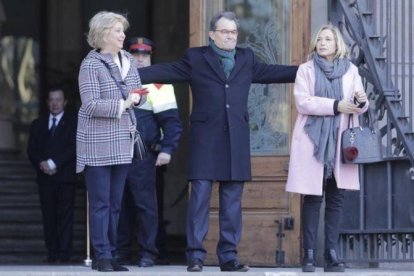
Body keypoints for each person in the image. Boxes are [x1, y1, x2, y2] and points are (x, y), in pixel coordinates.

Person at [138, 11, 298, 272]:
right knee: (200, 198)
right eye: (225, 32)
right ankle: (196, 257)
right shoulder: (196, 57)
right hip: (205, 140)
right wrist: (126, 72)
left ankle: (228, 257)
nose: (230, 36)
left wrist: (307, 70)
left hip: (236, 139)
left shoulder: (246, 58)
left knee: (232, 201)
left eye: (234, 32)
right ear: (212, 34)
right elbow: (166, 71)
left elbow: (273, 72)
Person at [285, 24, 369, 273]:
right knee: (312, 198)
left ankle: (331, 254)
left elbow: (360, 101)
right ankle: (309, 254)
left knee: (336, 199)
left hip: (341, 141)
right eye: (319, 39)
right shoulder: (306, 69)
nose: (322, 43)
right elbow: (303, 101)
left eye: (328, 39)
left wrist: (359, 103)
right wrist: (335, 105)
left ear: (337, 44)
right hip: (314, 141)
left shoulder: (351, 70)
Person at [77, 11, 146, 272]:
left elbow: (138, 93)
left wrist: (139, 98)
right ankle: (101, 255)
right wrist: (125, 102)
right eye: (118, 30)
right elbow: (91, 104)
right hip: (97, 141)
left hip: (123, 139)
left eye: (123, 30)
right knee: (100, 203)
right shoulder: (90, 64)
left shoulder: (128, 59)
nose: (123, 35)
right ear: (104, 33)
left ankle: (112, 253)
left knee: (116, 203)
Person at [116, 37, 182, 267]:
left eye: (145, 54)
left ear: (151, 57)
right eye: (136, 54)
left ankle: (147, 253)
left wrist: (167, 150)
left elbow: (172, 123)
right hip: (116, 153)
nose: (141, 59)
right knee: (119, 205)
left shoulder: (159, 86)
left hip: (143, 156)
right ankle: (120, 252)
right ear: (128, 56)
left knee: (146, 206)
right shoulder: (117, 82)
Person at [27, 88, 77, 264]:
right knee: (49, 217)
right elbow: (32, 150)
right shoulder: (38, 123)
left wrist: (54, 163)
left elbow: (73, 148)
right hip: (45, 178)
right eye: (52, 100)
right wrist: (42, 164)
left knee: (65, 217)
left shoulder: (73, 123)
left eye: (58, 100)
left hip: (65, 178)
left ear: (64, 102)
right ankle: (52, 253)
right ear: (48, 102)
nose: (55, 103)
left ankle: (64, 254)